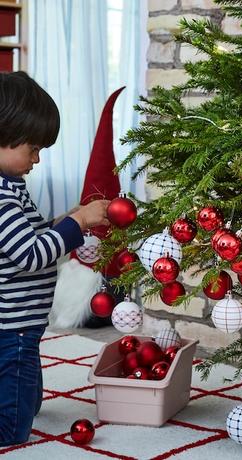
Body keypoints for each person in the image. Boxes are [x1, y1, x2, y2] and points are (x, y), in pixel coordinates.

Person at [0, 71, 110, 446]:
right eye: (32, 148)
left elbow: (27, 237)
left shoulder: (11, 189)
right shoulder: (1, 197)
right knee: (14, 424)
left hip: (22, 321)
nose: (36, 159)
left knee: (25, 390)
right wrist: (77, 223)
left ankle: (19, 404)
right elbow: (30, 255)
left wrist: (65, 219)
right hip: (11, 324)